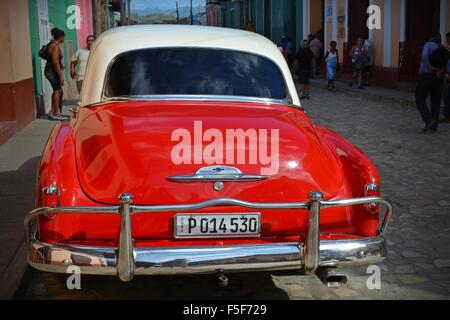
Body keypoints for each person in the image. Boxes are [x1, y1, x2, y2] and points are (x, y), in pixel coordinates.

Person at [415, 33, 444, 132]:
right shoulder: (442, 48)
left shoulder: (428, 45)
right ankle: (434, 125)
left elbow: (424, 55)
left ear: (430, 38)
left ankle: (429, 120)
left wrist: (429, 66)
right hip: (438, 77)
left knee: (419, 99)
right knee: (435, 101)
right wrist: (439, 70)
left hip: (426, 75)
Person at [44, 28, 66, 121]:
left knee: (56, 90)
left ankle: (52, 112)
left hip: (50, 71)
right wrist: (61, 76)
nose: (64, 38)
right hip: (51, 71)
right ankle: (56, 113)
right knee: (57, 91)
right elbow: (55, 62)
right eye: (63, 37)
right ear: (60, 37)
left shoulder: (53, 44)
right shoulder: (55, 46)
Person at [442, 32, 450, 122]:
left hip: (449, 74)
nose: (447, 41)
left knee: (447, 94)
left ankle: (447, 115)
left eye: (448, 39)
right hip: (447, 73)